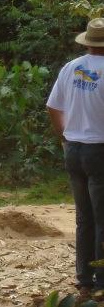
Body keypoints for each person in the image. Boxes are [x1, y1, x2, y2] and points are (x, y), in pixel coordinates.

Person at [47, 18, 104, 296]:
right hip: (99, 150)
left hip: (74, 149)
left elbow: (53, 106)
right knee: (102, 217)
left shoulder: (71, 68)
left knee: (84, 218)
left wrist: (64, 135)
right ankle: (102, 281)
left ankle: (84, 279)